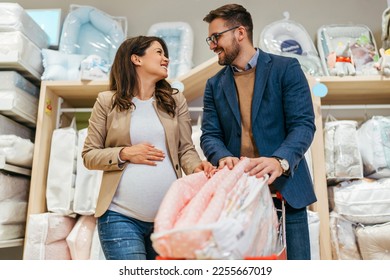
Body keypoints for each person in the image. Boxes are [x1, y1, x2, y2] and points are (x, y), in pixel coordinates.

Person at [82, 36, 215, 260]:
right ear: (136, 59)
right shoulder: (107, 101)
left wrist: (197, 168)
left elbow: (185, 150)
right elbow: (89, 155)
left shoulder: (175, 99)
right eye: (158, 52)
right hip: (120, 217)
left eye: (165, 54)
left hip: (169, 218)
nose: (166, 58)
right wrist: (125, 153)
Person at [201, 4, 317, 260]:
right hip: (237, 198)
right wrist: (221, 157)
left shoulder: (286, 69)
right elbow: (209, 134)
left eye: (215, 37)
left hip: (287, 192)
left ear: (240, 32)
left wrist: (280, 161)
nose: (212, 45)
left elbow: (303, 124)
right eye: (210, 39)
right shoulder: (214, 85)